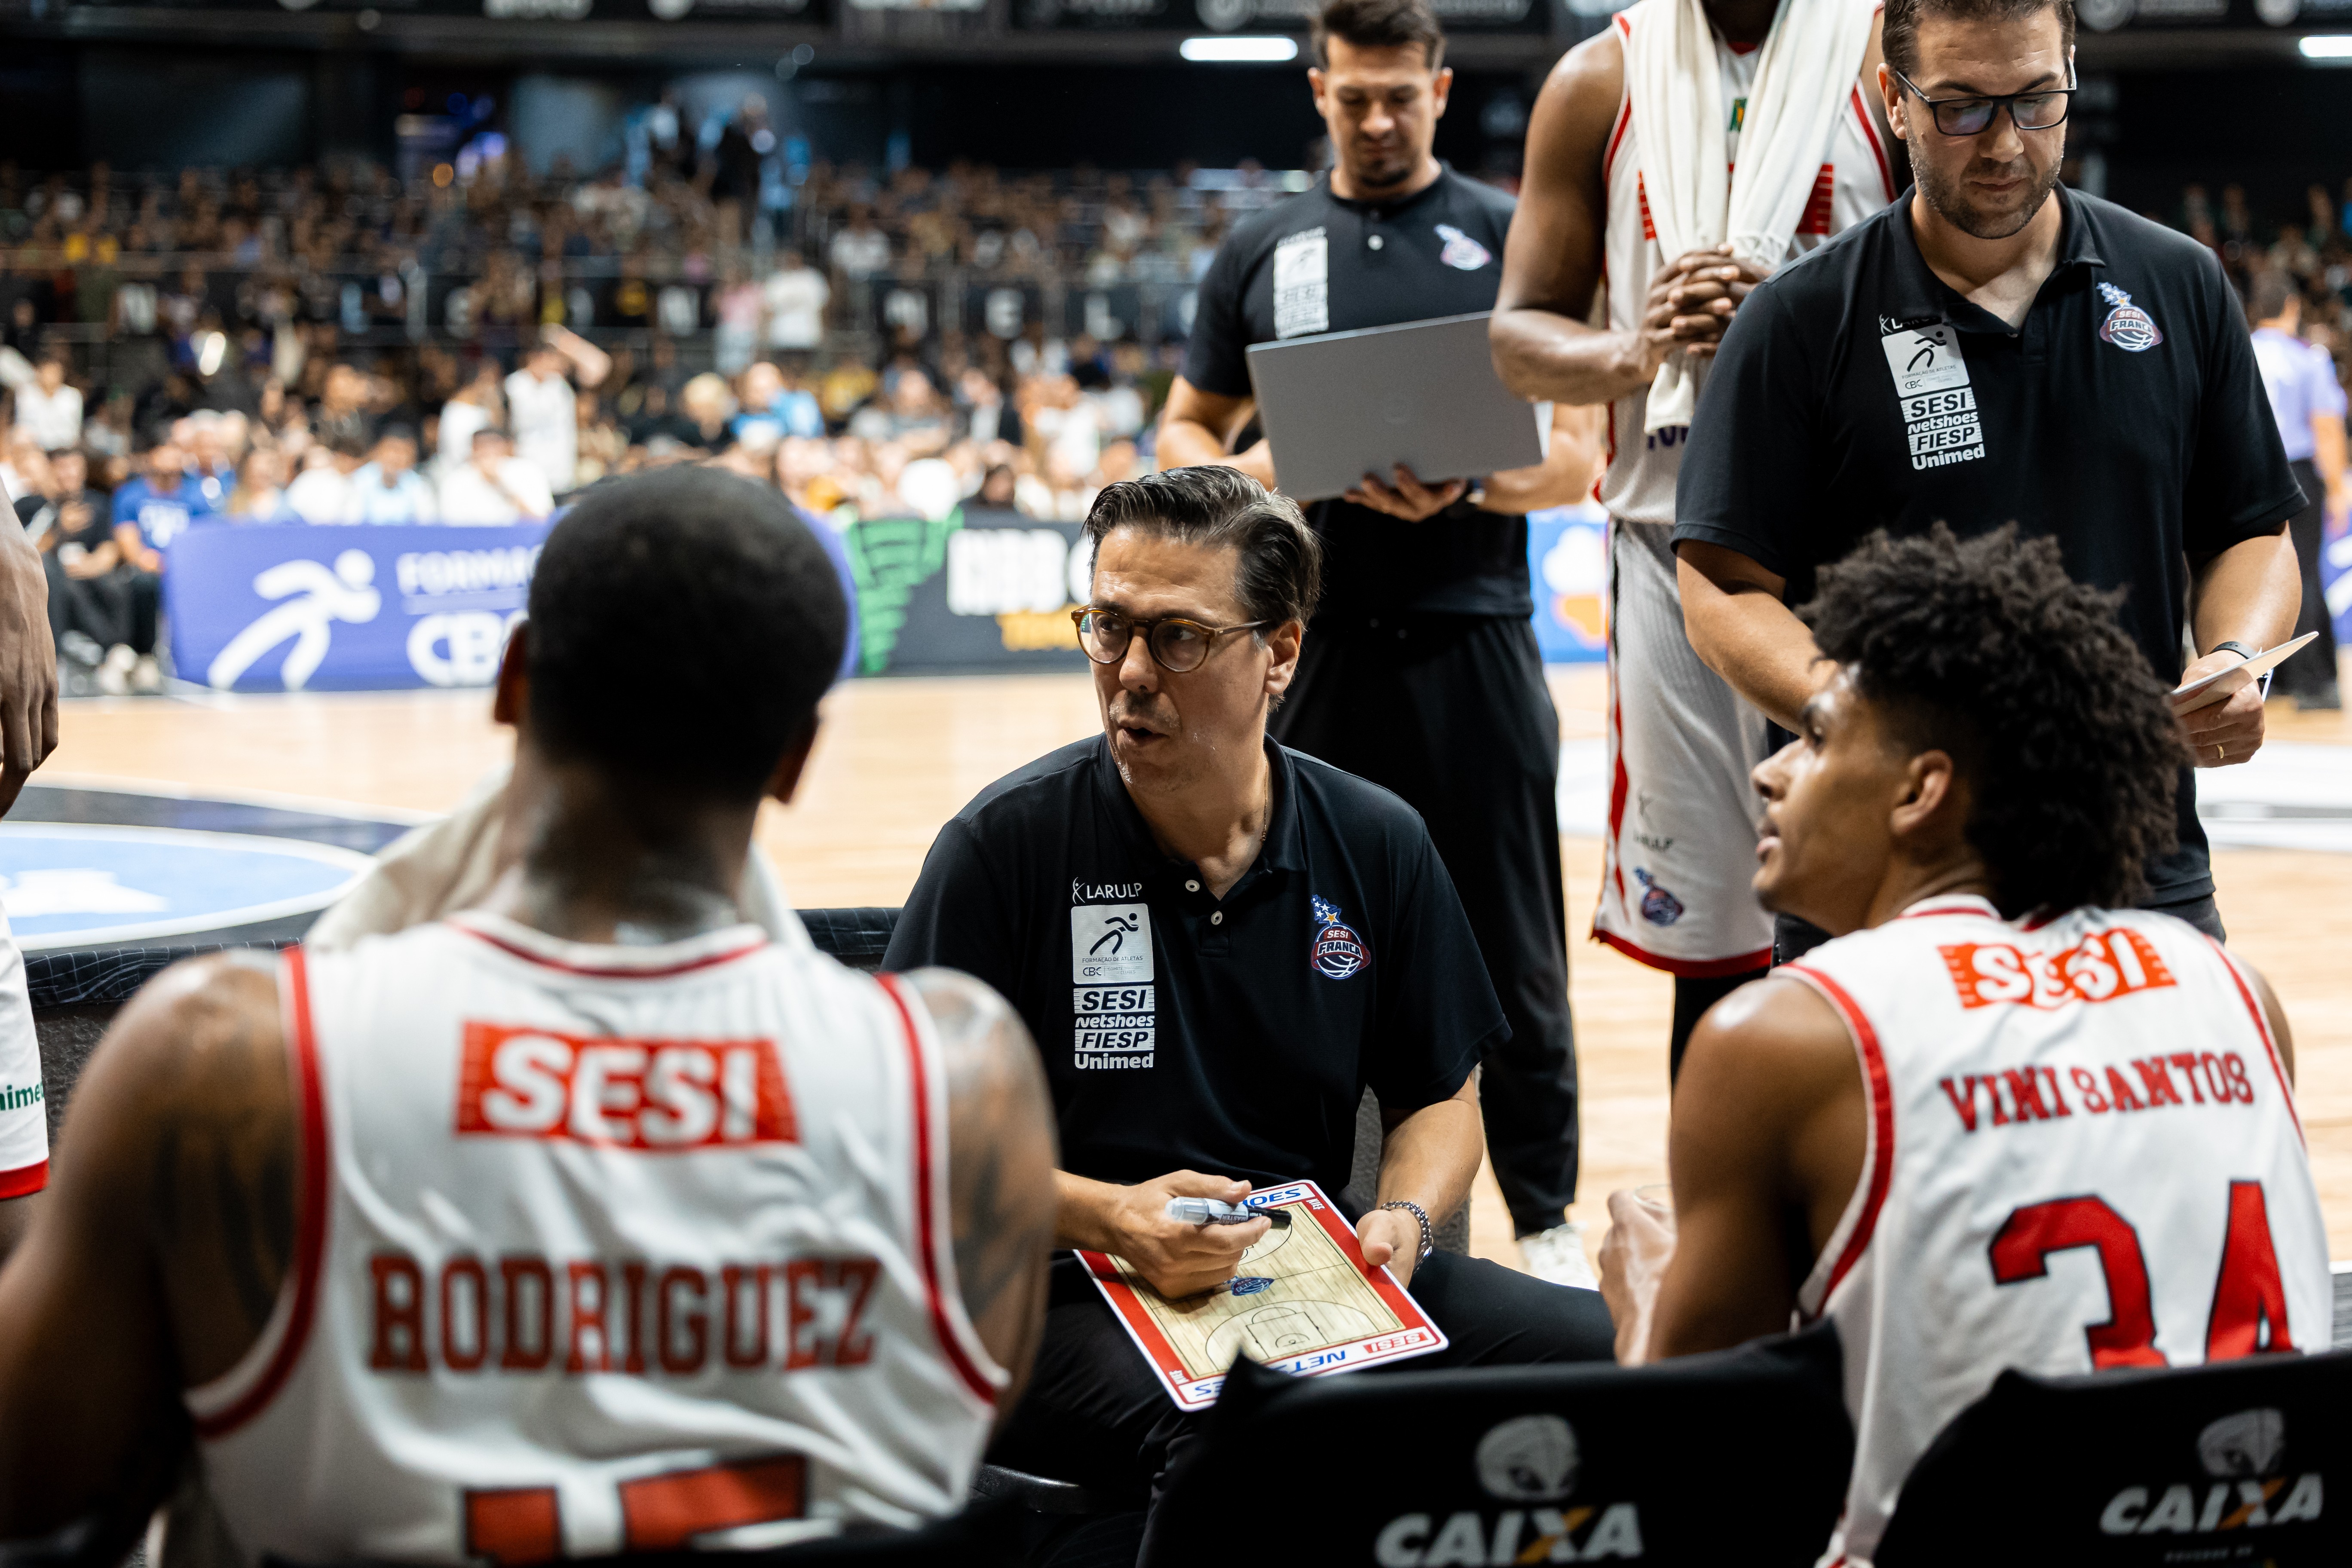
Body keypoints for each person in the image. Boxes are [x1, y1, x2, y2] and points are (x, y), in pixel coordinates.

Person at [0, 469, 1059, 1556]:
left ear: (509, 680)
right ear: (795, 759)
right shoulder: (966, 1086)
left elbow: (36, 1490)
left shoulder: (224, 1060)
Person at [884, 466, 1616, 1549]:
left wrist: (1404, 1221)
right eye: (1106, 627)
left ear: (1278, 653)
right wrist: (1107, 1218)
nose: (1129, 673)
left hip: (1303, 1282)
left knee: (1612, 1343)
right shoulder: (1004, 847)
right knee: (1261, 1427)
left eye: (1177, 637)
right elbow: (902, 1137)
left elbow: (1440, 1094)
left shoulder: (1373, 838)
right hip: (1048, 1294)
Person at [1639, 525, 2331, 1568]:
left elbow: (1693, 1466)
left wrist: (1637, 1298)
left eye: (1816, 739)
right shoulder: (2233, 988)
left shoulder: (1785, 1034)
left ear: (1920, 792)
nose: (1772, 773)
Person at [1672, 0, 2305, 955]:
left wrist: (2233, 657)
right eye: (1962, 107)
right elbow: (1720, 584)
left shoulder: (2179, 284)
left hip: (2135, 862)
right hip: (1884, 868)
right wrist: (1838, 704)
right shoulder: (1795, 322)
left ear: (2071, 73)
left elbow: (2249, 527)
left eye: (2038, 99)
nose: (2007, 142)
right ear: (1894, 100)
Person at [1158, 0, 1605, 1284]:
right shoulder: (1262, 244)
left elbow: (1574, 450)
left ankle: (1551, 1210)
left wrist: (1468, 482)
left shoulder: (1507, 233)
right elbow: (1183, 430)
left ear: (1441, 87)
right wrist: (1265, 474)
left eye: (1400, 96)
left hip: (1476, 638)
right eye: (1354, 97)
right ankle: (1272, 1185)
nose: (1377, 118)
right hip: (1308, 650)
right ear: (1319, 91)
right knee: (1291, 918)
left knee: (1510, 935)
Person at [1491, 0, 1893, 1075]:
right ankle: (1725, 1229)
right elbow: (1516, 337)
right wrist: (1637, 347)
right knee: (1716, 940)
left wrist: (1797, 320)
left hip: (1862, 549)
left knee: (1889, 908)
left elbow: (1964, 289)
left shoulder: (1883, 50)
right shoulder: (1596, 80)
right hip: (1673, 541)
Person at [2248, 270, 2346, 710]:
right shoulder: (2309, 358)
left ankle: (2273, 680)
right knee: (2302, 574)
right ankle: (2313, 683)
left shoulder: (2240, 350)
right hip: (2297, 473)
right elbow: (2326, 426)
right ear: (2292, 307)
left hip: (2247, 473)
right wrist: (2339, 487)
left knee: (2253, 575)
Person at [38, 450, 161, 696]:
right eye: (62, 467)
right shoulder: (36, 505)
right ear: (51, 470)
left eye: (75, 467)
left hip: (93, 575)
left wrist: (89, 566)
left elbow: (110, 549)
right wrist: (59, 529)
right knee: (64, 586)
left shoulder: (98, 505)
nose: (69, 474)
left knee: (115, 584)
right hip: (51, 581)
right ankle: (112, 651)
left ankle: (121, 652)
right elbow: (27, 553)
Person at [505, 326, 610, 499]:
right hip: (528, 477)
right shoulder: (514, 386)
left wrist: (562, 339)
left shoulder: (559, 384)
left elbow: (600, 366)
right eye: (557, 359)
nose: (562, 364)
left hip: (561, 476)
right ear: (539, 357)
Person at [110, 439, 213, 557]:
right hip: (143, 568)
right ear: (151, 456)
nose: (169, 461)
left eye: (174, 455)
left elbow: (202, 539)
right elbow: (126, 535)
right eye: (164, 455)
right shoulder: (130, 495)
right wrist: (144, 559)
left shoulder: (196, 496)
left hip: (185, 563)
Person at [438, 427, 555, 525]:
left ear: (506, 446)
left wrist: (501, 484)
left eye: (494, 446)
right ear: (472, 450)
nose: (488, 453)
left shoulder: (527, 471)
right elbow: (450, 526)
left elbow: (543, 522)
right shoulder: (456, 480)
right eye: (482, 447)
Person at [343, 427, 438, 525]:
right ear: (378, 451)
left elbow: (427, 526)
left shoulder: (419, 486)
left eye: (404, 452)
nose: (396, 458)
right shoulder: (360, 481)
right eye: (393, 449)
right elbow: (350, 524)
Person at [763, 247, 831, 356]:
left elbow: (824, 307)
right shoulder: (776, 280)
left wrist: (824, 331)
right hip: (782, 335)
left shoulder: (813, 278)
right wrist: (766, 335)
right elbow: (767, 310)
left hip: (808, 335)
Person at [14, 355, 81, 453]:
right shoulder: (25, 393)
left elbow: (74, 430)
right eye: (49, 373)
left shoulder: (73, 395)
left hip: (63, 447)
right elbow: (22, 424)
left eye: (56, 373)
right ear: (39, 373)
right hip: (33, 446)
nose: (52, 377)